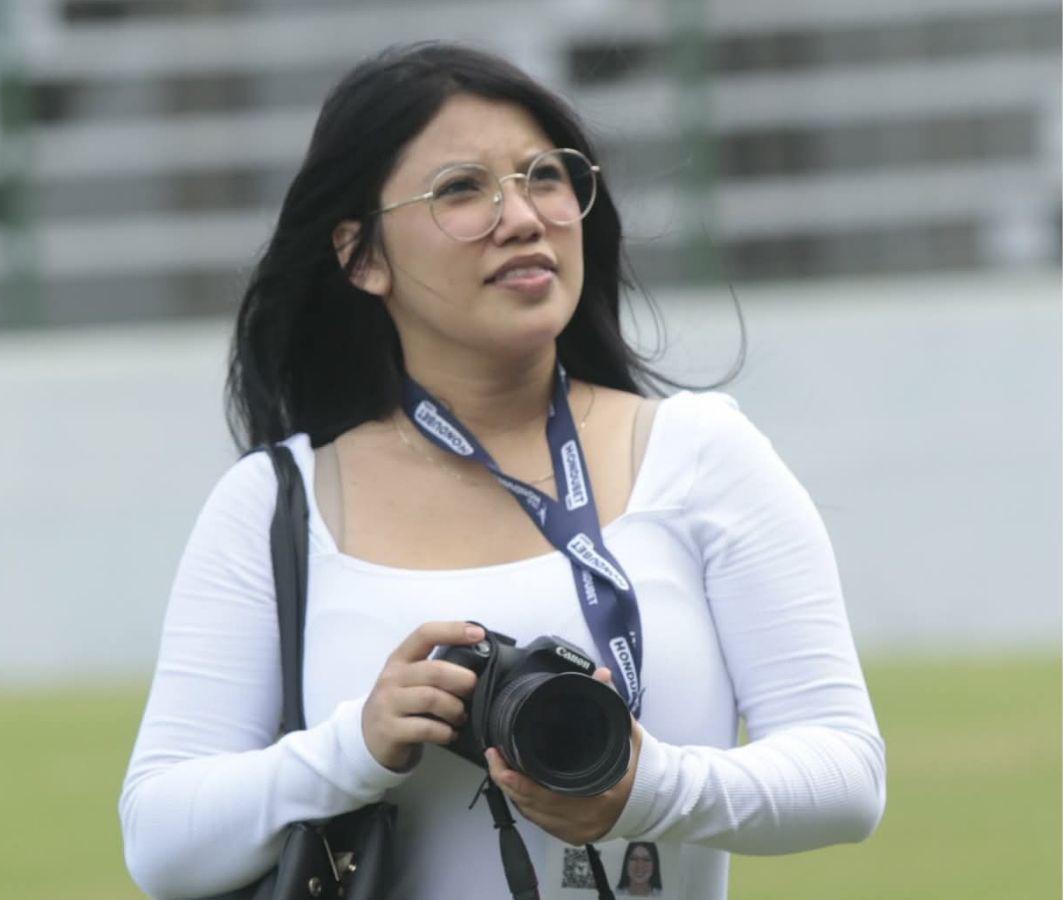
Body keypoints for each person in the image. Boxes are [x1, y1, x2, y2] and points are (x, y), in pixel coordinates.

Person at [118, 42, 885, 900]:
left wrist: (646, 790)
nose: (521, 216)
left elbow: (847, 775)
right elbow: (160, 840)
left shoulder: (701, 454)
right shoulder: (274, 505)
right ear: (360, 255)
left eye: (544, 177)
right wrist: (355, 749)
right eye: (460, 189)